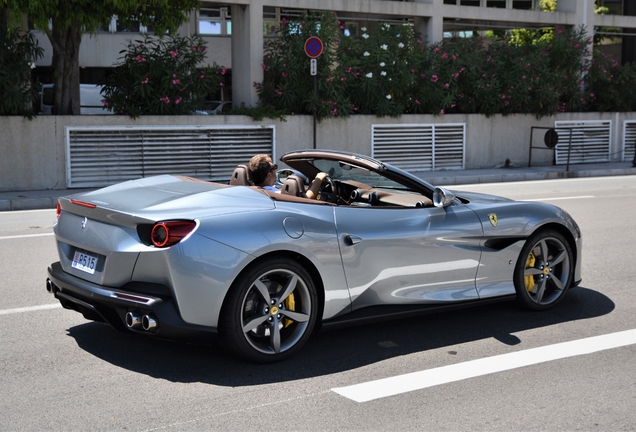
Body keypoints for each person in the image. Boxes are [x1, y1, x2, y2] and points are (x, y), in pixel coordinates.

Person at [248, 154, 328, 199]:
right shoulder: (276, 195)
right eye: (274, 167)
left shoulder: (250, 192)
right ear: (269, 175)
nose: (276, 169)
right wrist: (319, 179)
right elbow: (306, 200)